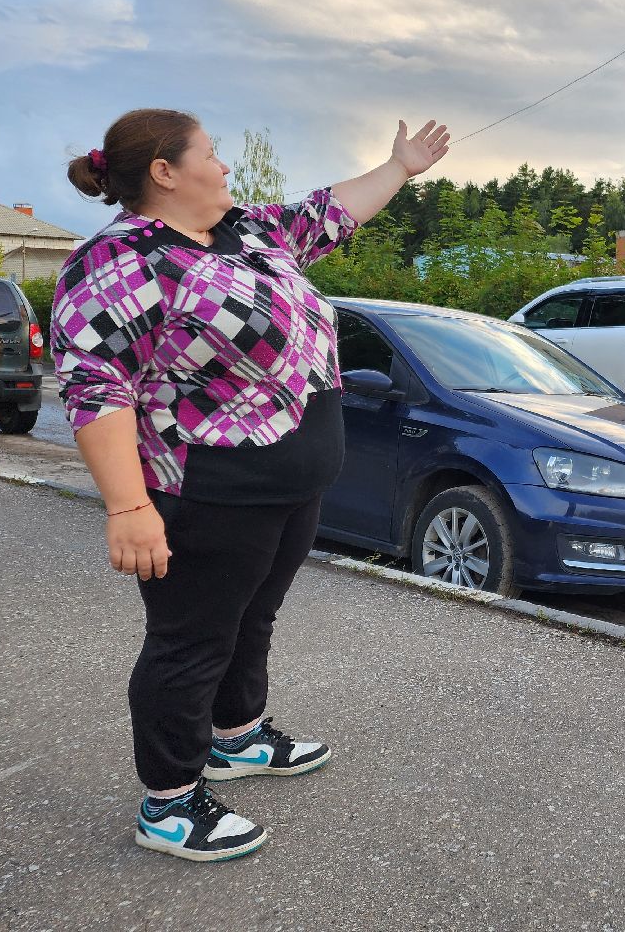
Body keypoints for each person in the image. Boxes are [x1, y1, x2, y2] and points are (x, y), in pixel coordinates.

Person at [53, 109, 449, 862]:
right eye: (211, 152)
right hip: (205, 491)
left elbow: (330, 210)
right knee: (190, 641)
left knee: (252, 617)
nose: (225, 165)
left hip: (292, 482)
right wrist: (127, 506)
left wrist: (398, 168)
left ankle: (234, 738)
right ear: (165, 172)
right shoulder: (118, 262)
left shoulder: (249, 232)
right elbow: (96, 386)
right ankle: (168, 803)